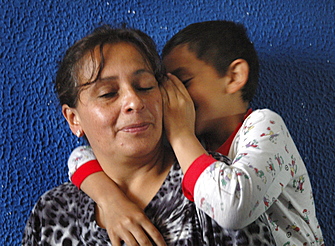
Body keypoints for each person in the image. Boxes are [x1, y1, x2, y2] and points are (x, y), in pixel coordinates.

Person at [66, 20, 325, 246]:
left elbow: (233, 208)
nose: (172, 98)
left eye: (183, 82)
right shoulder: (196, 144)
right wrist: (111, 201)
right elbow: (81, 156)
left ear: (234, 77)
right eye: (164, 86)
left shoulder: (265, 126)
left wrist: (180, 135)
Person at [22, 24, 275, 246]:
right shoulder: (52, 212)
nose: (134, 101)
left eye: (145, 86)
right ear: (73, 119)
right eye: (108, 93)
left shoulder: (214, 188)